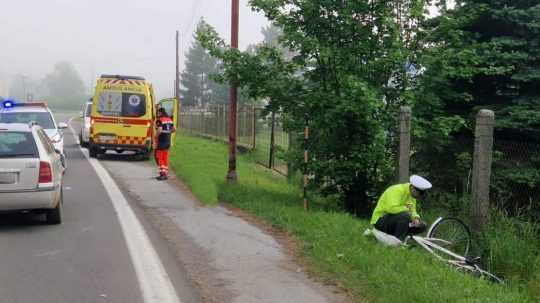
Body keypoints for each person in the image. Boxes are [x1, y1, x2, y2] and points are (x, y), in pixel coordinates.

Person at [370, 175, 432, 241]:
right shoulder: (396, 190)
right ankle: (398, 242)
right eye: (419, 194)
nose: (419, 197)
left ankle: (397, 236)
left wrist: (416, 218)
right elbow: (391, 208)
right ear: (413, 189)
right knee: (405, 215)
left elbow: (412, 210)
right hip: (380, 221)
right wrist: (407, 209)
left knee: (422, 225)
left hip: (394, 222)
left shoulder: (412, 195)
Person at [154, 107, 175, 180]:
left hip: (161, 141)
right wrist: (168, 133)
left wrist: (155, 136)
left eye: (158, 113)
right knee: (165, 158)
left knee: (160, 158)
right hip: (168, 142)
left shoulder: (159, 120)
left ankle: (162, 174)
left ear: (160, 113)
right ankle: (165, 173)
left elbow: (159, 130)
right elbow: (174, 129)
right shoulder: (169, 120)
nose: (157, 114)